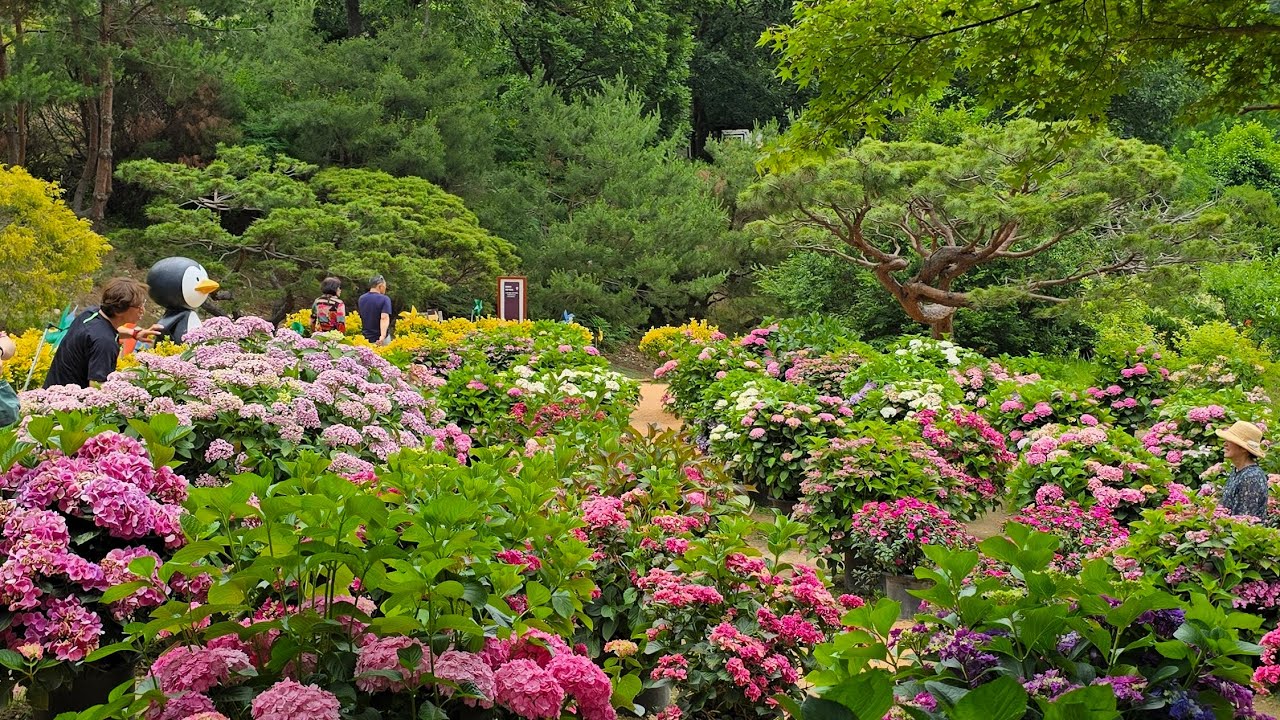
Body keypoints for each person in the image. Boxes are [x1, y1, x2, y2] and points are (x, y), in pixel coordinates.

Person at [44, 278, 162, 389]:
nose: (143, 310)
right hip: (65, 407)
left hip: (49, 394)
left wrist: (134, 334)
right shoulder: (105, 343)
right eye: (139, 306)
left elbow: (101, 333)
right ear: (119, 310)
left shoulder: (90, 314)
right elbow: (97, 386)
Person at [1216, 420, 1269, 518]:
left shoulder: (1251, 477)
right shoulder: (1238, 470)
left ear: (1244, 448)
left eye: (1230, 441)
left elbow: (1244, 520)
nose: (1225, 444)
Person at [356, 274, 392, 345]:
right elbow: (384, 318)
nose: (385, 288)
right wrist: (382, 336)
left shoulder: (361, 298)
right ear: (380, 286)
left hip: (366, 338)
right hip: (380, 339)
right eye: (384, 286)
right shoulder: (384, 299)